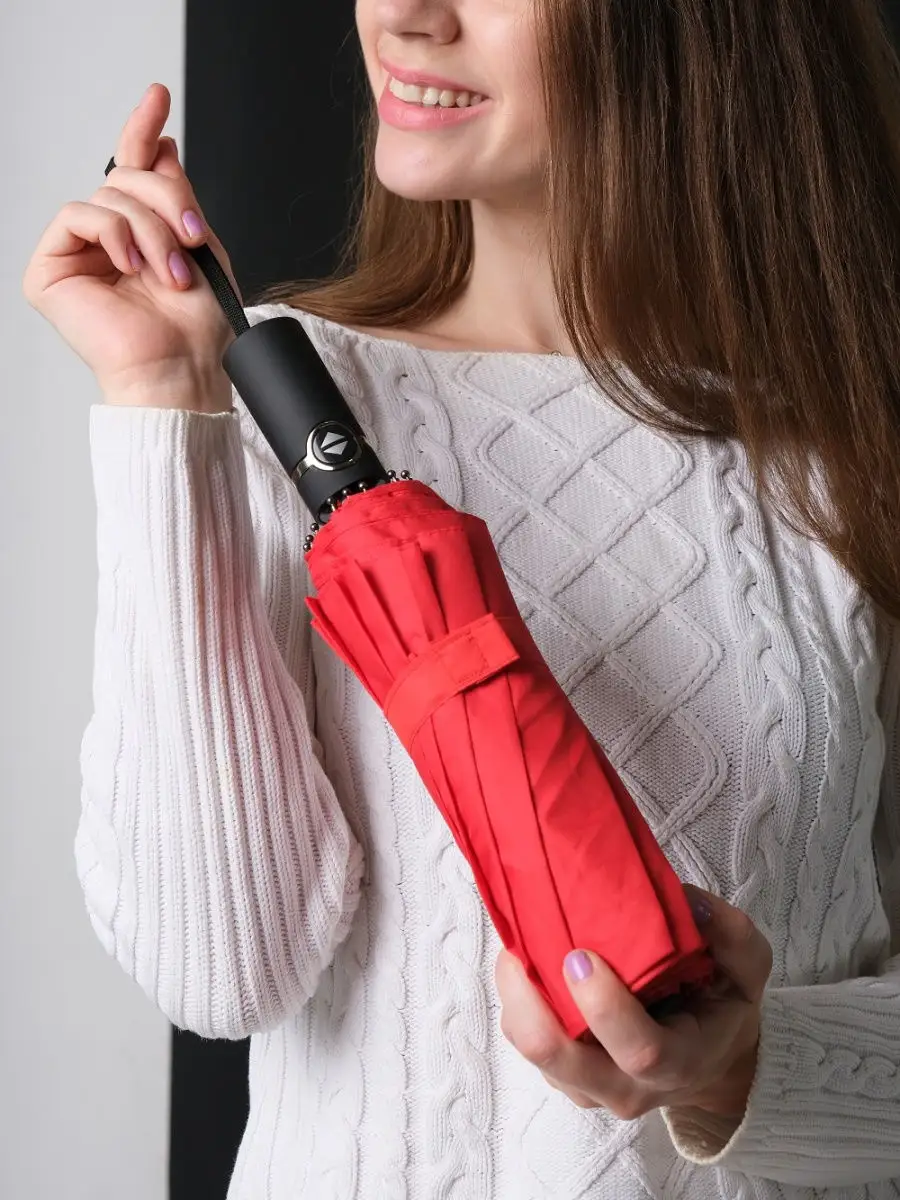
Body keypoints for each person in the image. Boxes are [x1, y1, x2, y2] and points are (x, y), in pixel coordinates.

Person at [21, 0, 900, 1195]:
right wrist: (162, 405)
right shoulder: (284, 403)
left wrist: (746, 1073)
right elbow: (223, 971)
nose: (402, 14)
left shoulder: (852, 448)